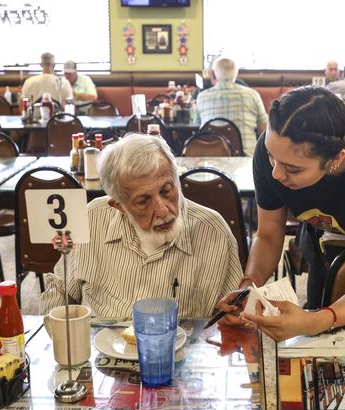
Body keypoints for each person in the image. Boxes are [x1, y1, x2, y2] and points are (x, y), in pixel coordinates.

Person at [216, 87, 345, 342]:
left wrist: (315, 320)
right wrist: (248, 287)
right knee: (320, 323)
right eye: (272, 158)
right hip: (324, 234)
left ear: (335, 159)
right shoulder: (273, 153)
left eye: (293, 169)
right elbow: (268, 236)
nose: (276, 174)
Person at [40, 134, 243, 318]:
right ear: (118, 205)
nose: (163, 210)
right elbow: (60, 291)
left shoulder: (213, 231)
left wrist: (235, 316)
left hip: (180, 354)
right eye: (143, 201)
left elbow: (233, 313)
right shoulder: (92, 219)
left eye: (166, 191)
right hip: (99, 352)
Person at [196, 57, 267, 155]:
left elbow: (199, 129)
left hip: (212, 161)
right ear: (236, 73)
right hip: (246, 162)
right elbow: (264, 130)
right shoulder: (252, 95)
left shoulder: (202, 97)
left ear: (213, 74)